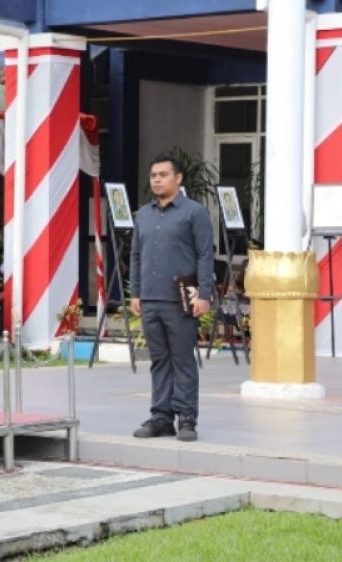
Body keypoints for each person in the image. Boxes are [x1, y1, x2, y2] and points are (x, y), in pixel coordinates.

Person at [130, 153, 214, 442]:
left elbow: (205, 254)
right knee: (159, 360)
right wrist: (135, 293)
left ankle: (187, 418)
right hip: (151, 299)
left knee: (183, 360)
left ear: (178, 179)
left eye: (163, 175)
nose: (157, 179)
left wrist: (204, 294)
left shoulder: (194, 212)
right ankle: (161, 417)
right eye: (154, 175)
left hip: (181, 299)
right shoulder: (143, 214)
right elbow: (136, 255)